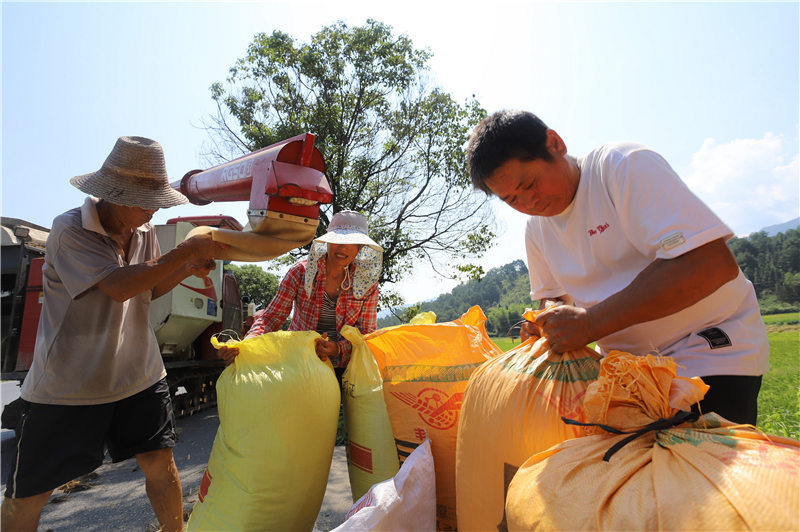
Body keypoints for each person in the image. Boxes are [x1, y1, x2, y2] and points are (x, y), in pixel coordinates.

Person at [467, 110, 769, 425]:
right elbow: (554, 297)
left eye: (529, 184)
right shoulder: (537, 230)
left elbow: (708, 264)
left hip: (707, 353)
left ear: (555, 144)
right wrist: (549, 321)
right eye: (512, 200)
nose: (528, 203)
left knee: (686, 466)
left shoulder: (621, 167)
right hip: (622, 372)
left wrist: (591, 323)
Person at [1, 136, 226, 532]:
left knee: (160, 464)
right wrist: (183, 252)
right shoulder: (70, 229)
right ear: (112, 195)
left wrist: (185, 267)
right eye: (145, 201)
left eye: (158, 201)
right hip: (69, 385)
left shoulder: (143, 230)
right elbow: (119, 287)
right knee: (29, 494)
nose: (153, 210)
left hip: (139, 373)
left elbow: (150, 288)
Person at [216, 210, 383, 375]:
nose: (342, 247)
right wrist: (248, 343)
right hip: (297, 363)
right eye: (337, 240)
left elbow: (366, 334)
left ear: (360, 248)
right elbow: (272, 317)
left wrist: (338, 348)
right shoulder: (301, 272)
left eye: (351, 242)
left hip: (344, 368)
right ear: (328, 242)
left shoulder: (366, 284)